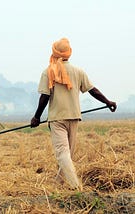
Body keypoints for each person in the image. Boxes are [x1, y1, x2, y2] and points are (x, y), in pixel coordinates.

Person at [30, 38, 117, 190]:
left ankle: (75, 187)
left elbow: (44, 96)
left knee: (63, 154)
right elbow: (92, 90)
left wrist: (37, 117)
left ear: (54, 52)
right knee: (66, 155)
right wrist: (107, 102)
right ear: (69, 53)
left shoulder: (48, 71)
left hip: (57, 119)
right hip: (74, 117)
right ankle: (59, 186)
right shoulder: (78, 71)